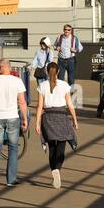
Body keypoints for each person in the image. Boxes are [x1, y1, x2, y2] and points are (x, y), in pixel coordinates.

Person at [34, 61, 78, 190]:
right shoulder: (64, 85)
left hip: (48, 117)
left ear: (47, 72)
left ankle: (54, 171)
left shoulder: (42, 86)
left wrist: (37, 123)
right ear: (58, 72)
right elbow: (70, 104)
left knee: (52, 147)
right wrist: (74, 119)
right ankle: (57, 169)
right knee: (61, 147)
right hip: (62, 117)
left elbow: (39, 106)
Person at [0, 57, 27, 187]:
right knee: (13, 148)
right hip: (12, 117)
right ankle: (11, 179)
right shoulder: (17, 81)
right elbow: (22, 102)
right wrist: (24, 118)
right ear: (9, 67)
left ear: (2, 67)